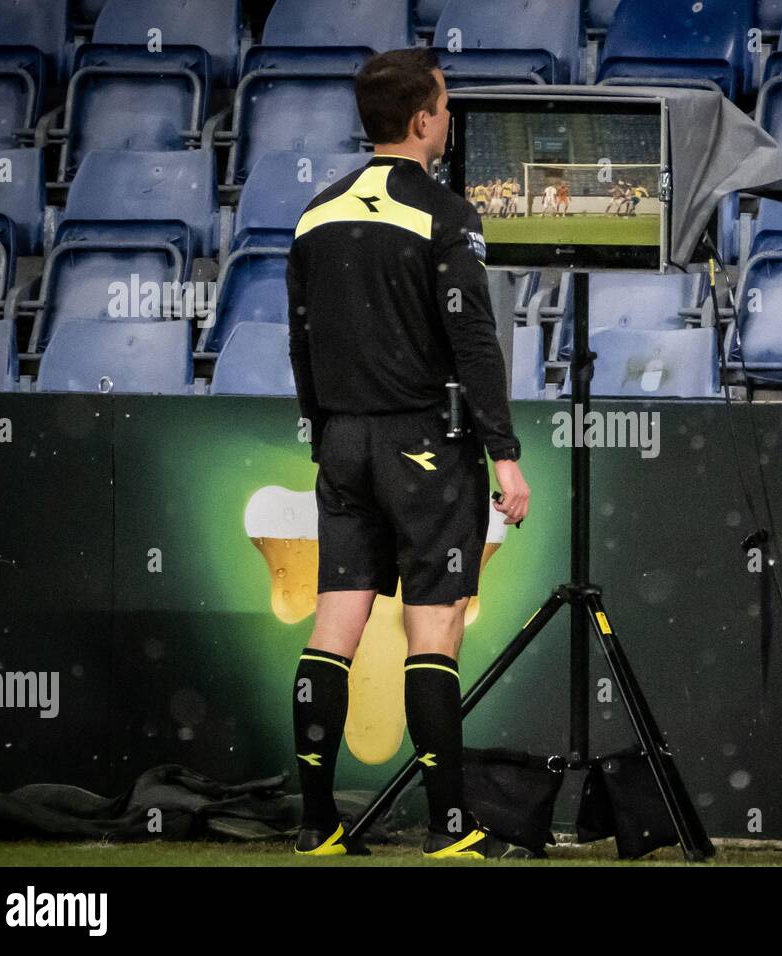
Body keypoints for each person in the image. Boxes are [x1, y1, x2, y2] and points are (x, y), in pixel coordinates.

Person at [286, 47, 531, 861]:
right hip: (422, 444)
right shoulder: (448, 213)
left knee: (333, 630)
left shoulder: (314, 214)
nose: (450, 117)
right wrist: (505, 455)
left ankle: (316, 825)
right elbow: (475, 343)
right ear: (423, 120)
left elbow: (301, 341)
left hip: (342, 443)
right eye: (446, 104)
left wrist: (326, 433)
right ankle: (449, 828)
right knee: (435, 632)